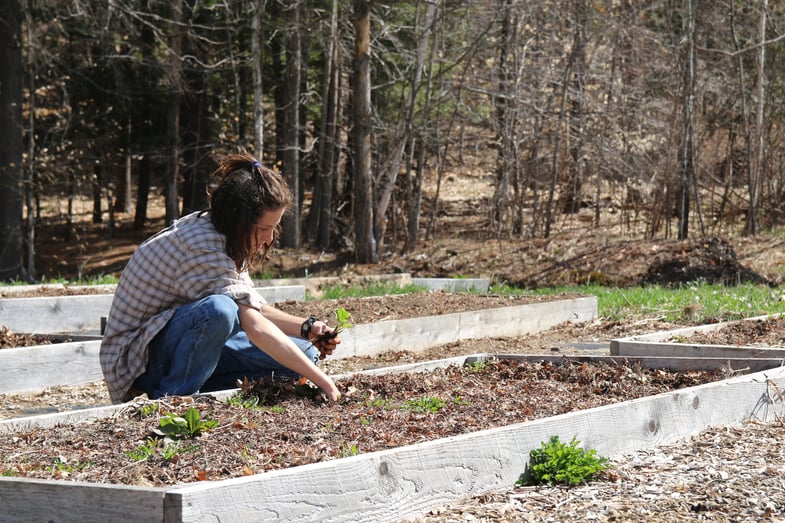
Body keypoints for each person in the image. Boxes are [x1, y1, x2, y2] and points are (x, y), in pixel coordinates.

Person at [99, 153, 341, 404]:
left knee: (303, 352)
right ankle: (170, 401)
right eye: (262, 229)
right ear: (239, 219)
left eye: (274, 227)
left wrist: (307, 328)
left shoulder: (229, 236)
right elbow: (254, 326)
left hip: (179, 346)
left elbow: (253, 309)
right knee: (219, 310)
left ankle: (200, 387)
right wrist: (323, 381)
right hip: (136, 365)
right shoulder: (201, 246)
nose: (269, 238)